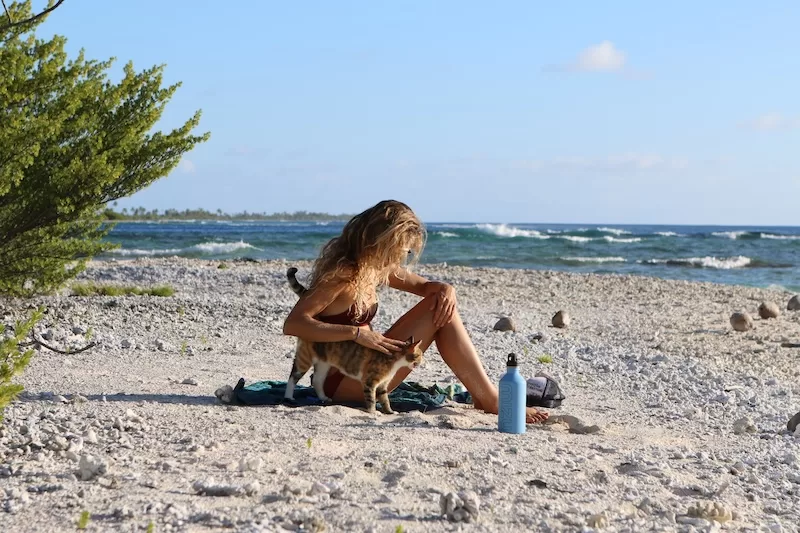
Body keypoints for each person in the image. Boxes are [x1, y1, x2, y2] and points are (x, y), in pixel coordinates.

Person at [283, 200, 548, 423]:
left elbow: (428, 287)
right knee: (437, 307)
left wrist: (447, 288)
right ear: (382, 241)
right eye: (401, 247)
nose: (403, 255)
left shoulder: (374, 267)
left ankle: (486, 397)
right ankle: (489, 399)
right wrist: (356, 334)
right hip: (341, 381)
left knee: (441, 302)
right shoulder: (344, 274)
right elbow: (294, 324)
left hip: (365, 367)